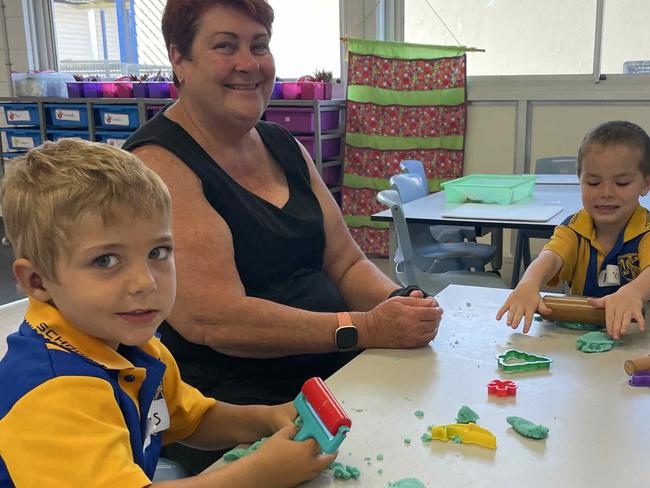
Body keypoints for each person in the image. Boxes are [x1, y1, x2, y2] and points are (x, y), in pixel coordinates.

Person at [124, 0, 443, 472]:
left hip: (330, 370)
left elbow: (346, 262)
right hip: (234, 405)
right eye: (224, 46)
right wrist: (366, 328)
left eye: (259, 46)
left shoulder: (283, 145)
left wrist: (401, 303)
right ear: (180, 60)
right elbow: (216, 320)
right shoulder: (158, 164)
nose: (248, 64)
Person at [0, 139, 336, 487]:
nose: (145, 282)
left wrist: (267, 418)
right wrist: (258, 476)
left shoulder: (134, 346)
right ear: (37, 281)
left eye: (158, 252)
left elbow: (190, 420)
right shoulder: (54, 394)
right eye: (106, 260)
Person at [497, 120, 650, 340]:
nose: (606, 192)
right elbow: (550, 257)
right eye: (593, 183)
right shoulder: (575, 227)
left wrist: (634, 293)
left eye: (622, 183)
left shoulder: (645, 230)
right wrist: (528, 284)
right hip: (580, 336)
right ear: (579, 180)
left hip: (636, 339)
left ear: (645, 184)